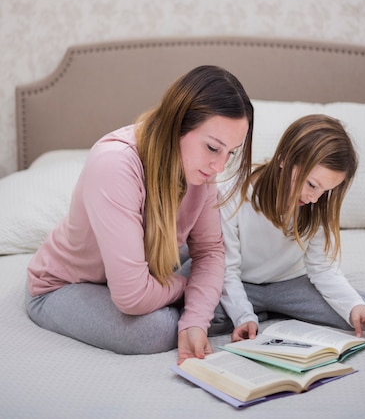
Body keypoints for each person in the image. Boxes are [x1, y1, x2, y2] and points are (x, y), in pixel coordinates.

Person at [26, 65, 253, 364]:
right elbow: (132, 297)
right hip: (64, 286)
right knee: (153, 331)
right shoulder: (115, 165)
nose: (219, 167)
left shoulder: (202, 170)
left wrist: (195, 321)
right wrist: (189, 286)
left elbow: (210, 251)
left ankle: (214, 299)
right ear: (178, 124)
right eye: (213, 147)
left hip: (144, 272)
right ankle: (225, 299)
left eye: (231, 153)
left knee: (222, 270)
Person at [209, 114, 365, 347]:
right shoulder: (233, 192)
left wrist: (355, 307)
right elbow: (227, 270)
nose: (314, 198)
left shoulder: (316, 205)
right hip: (239, 282)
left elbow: (322, 268)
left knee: (360, 311)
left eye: (325, 191)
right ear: (284, 159)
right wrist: (243, 316)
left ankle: (266, 310)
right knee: (199, 313)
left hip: (289, 285)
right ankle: (255, 312)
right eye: (311, 184)